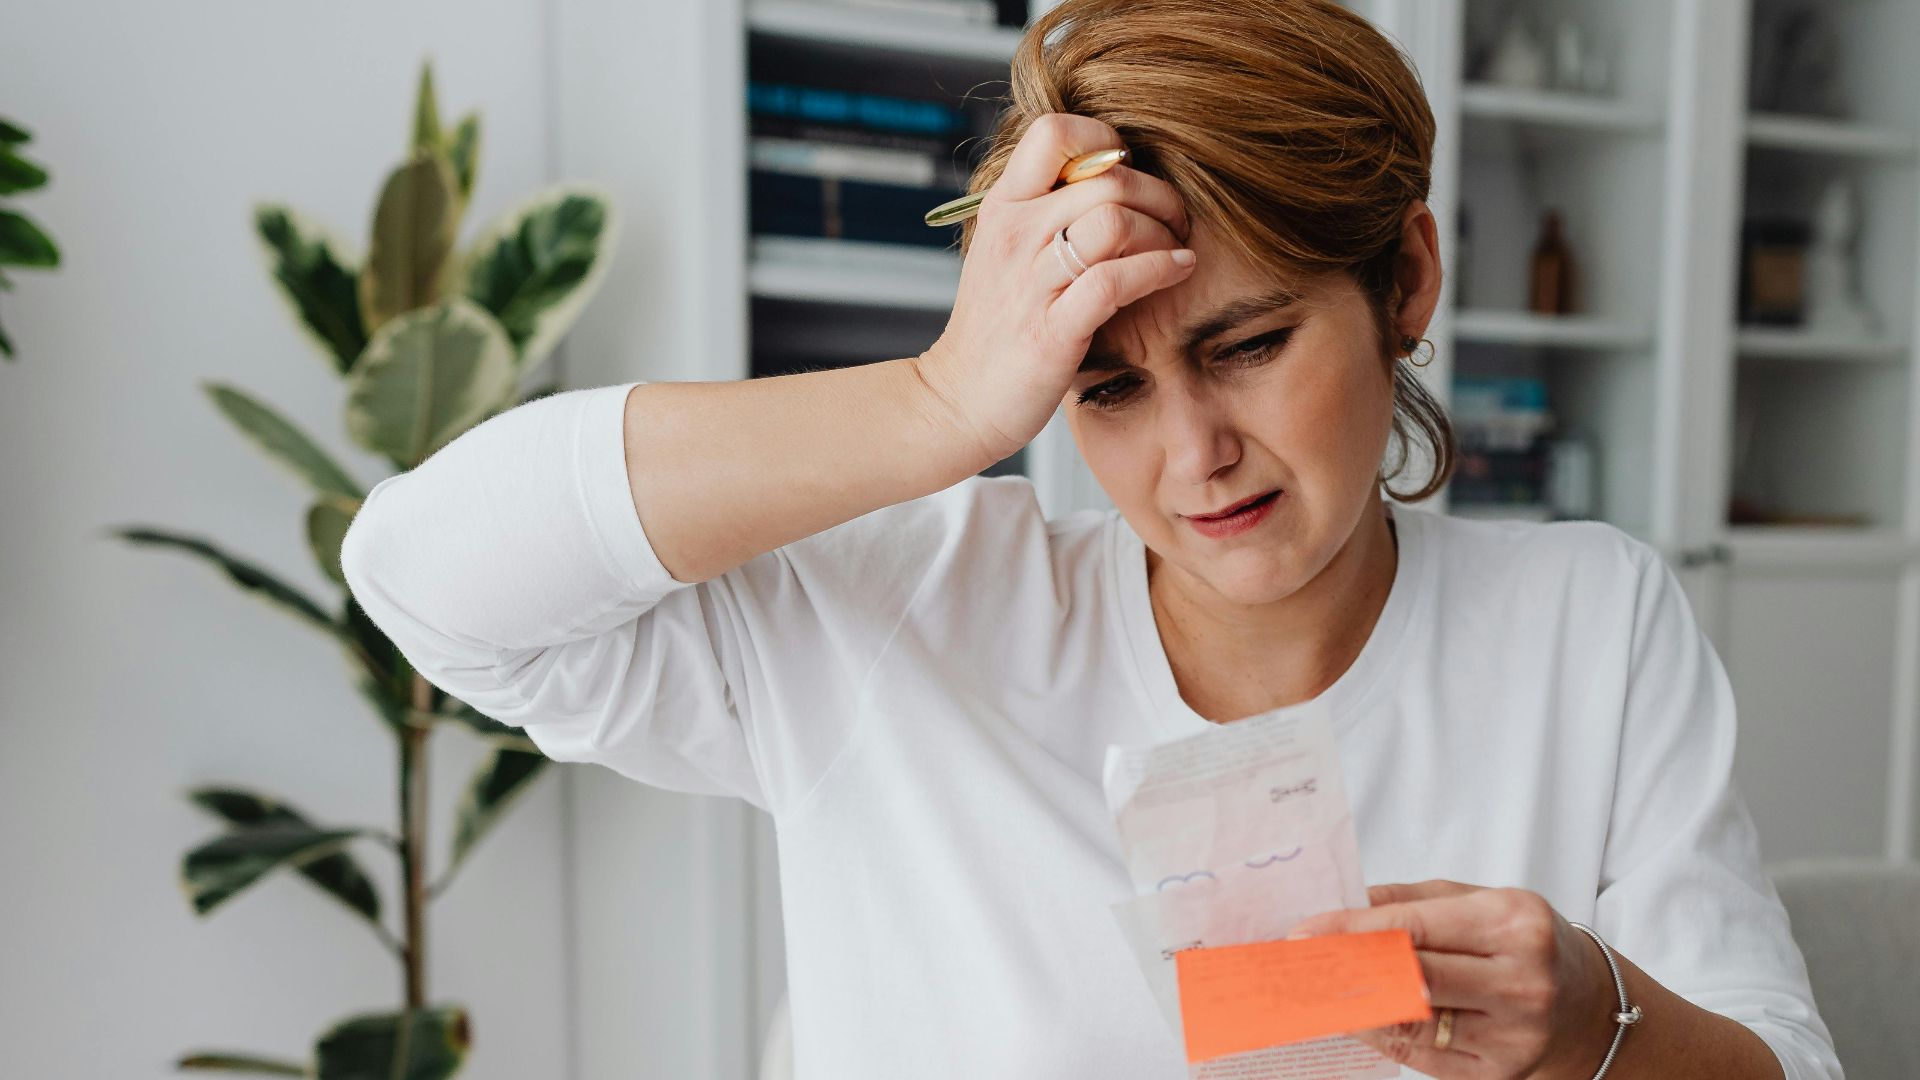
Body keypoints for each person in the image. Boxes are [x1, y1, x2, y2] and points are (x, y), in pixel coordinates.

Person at [339, 0, 1842, 1076]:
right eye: (1105, 385)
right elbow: (422, 574)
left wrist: (1599, 1026)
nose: (1193, 456)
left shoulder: (1590, 621)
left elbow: (1780, 1065)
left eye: (1250, 343)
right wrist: (940, 403)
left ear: (1407, 281)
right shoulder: (906, 611)